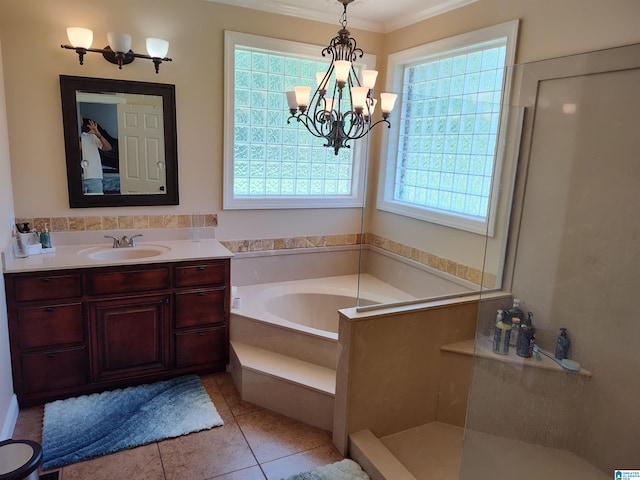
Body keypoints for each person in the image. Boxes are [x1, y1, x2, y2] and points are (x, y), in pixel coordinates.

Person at [79, 118, 112, 194]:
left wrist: (98, 135)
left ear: (81, 123)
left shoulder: (90, 136)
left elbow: (108, 148)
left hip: (93, 175)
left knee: (97, 203)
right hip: (73, 177)